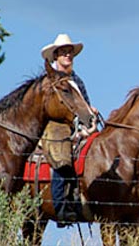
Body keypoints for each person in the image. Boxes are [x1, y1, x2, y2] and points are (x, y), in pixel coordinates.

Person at [39, 34, 96, 226]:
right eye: (63, 52)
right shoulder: (49, 79)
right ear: (55, 56)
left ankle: (85, 201)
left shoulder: (77, 81)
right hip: (55, 125)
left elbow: (85, 105)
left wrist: (90, 115)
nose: (68, 56)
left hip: (77, 128)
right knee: (62, 158)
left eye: (70, 52)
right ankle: (61, 208)